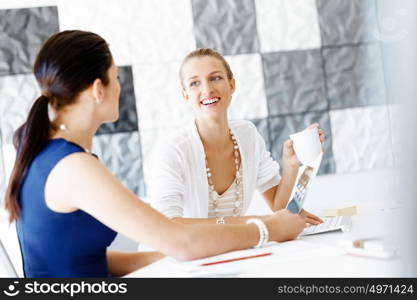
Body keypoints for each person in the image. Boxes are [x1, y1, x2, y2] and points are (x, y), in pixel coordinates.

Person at [4, 31, 306, 278]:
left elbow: (77, 258)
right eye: (117, 77)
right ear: (99, 89)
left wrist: (165, 255)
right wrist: (268, 228)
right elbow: (183, 241)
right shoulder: (74, 168)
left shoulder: (46, 155)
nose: (120, 88)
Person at [149, 48, 325, 226]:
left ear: (232, 85)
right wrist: (263, 223)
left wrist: (291, 165)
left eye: (215, 78)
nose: (207, 89)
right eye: (195, 83)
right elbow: (167, 226)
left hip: (230, 251)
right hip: (181, 254)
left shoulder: (247, 135)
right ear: (185, 95)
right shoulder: (172, 149)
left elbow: (279, 207)